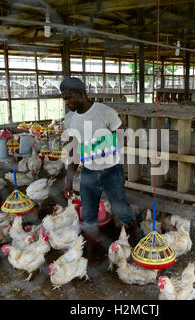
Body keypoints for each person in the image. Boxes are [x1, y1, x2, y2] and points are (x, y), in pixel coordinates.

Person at [60, 77, 141, 265]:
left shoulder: (105, 113)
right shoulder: (70, 119)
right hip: (88, 172)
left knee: (120, 209)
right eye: (64, 99)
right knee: (88, 215)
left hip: (112, 170)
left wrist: (101, 146)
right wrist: (69, 181)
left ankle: (136, 232)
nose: (67, 103)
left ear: (81, 94)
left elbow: (123, 135)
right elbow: (73, 150)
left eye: (68, 98)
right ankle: (91, 254)